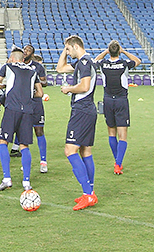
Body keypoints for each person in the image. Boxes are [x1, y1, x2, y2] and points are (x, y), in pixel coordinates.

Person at [56, 35, 98, 211]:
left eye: (69, 49)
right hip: (88, 110)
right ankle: (90, 192)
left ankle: (87, 194)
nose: (68, 52)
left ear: (75, 46)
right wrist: (64, 51)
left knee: (69, 150)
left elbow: (84, 86)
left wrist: (68, 89)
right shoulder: (84, 61)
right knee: (85, 150)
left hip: (82, 110)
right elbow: (60, 68)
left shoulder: (84, 63)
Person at [0, 48, 43, 192]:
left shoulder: (7, 67)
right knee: (24, 145)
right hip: (27, 111)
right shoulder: (33, 71)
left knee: (3, 142)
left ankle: (7, 179)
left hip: (12, 109)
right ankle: (26, 182)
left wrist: (6, 85)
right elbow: (40, 93)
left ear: (13, 59)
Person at [93, 40, 141, 175]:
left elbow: (95, 60)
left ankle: (117, 161)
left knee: (111, 133)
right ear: (118, 51)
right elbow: (138, 61)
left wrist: (105, 52)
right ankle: (118, 163)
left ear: (109, 51)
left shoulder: (103, 64)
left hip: (107, 100)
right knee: (123, 136)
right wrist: (124, 51)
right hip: (121, 101)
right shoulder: (124, 64)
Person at [24, 45, 49, 173]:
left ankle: (43, 161)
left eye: (28, 50)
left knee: (39, 130)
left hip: (36, 102)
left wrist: (35, 80)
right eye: (24, 50)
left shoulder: (38, 67)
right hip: (23, 102)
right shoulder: (19, 65)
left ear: (32, 54)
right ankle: (25, 161)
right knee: (24, 132)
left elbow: (45, 82)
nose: (25, 52)